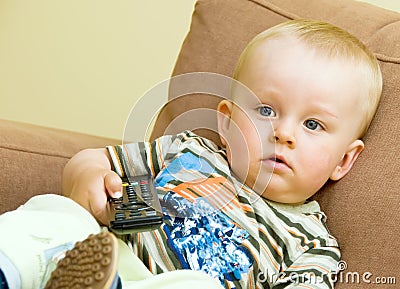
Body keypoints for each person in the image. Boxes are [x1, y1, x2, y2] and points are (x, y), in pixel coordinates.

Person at [0, 19, 382, 289]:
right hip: (105, 252)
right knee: (56, 213)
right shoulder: (189, 150)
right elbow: (99, 162)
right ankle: (10, 267)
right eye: (266, 110)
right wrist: (87, 175)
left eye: (312, 125)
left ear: (344, 161)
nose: (282, 133)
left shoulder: (312, 243)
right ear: (228, 123)